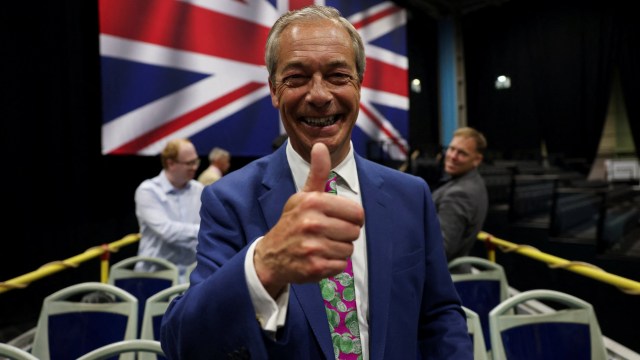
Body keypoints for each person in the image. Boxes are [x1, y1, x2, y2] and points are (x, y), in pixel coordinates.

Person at [161, 5, 472, 359]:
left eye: (338, 75)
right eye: (297, 77)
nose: (320, 95)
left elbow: (439, 316)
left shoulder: (410, 195)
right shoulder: (229, 200)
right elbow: (181, 343)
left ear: (359, 85)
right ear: (274, 90)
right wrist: (264, 266)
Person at [134, 138, 204, 282]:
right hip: (154, 276)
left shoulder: (199, 190)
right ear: (170, 163)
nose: (195, 167)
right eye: (189, 163)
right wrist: (202, 231)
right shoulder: (148, 191)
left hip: (191, 277)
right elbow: (167, 231)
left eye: (196, 161)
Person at [432, 126, 489, 268]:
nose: (452, 156)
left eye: (462, 153)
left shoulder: (459, 194)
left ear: (477, 160)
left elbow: (441, 249)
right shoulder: (474, 181)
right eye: (451, 149)